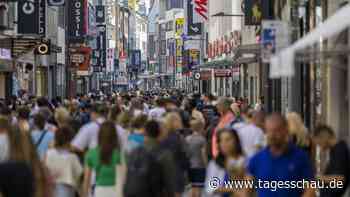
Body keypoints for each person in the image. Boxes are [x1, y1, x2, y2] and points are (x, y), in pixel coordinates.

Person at [247, 113, 315, 197]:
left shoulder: (300, 157)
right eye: (269, 131)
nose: (272, 135)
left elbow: (310, 189)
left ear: (286, 130)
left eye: (276, 131)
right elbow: (247, 190)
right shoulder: (256, 159)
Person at [124, 120, 176, 197]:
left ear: (144, 132)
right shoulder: (164, 154)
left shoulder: (134, 152)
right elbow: (170, 181)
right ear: (160, 133)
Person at [82, 121, 122, 197]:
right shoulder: (119, 154)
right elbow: (121, 179)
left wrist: (84, 194)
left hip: (99, 190)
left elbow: (86, 180)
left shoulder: (91, 153)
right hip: (116, 190)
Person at [204, 128, 247, 197]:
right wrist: (231, 189)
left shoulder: (245, 161)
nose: (224, 144)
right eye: (221, 141)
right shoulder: (216, 164)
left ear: (236, 141)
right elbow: (211, 187)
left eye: (228, 140)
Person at [313, 125, 350, 197]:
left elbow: (339, 179)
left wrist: (317, 178)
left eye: (319, 143)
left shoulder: (340, 151)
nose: (319, 147)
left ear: (323, 137)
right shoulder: (334, 150)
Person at [45, 126, 83, 197]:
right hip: (67, 190)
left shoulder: (48, 154)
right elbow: (79, 175)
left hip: (50, 189)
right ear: (70, 140)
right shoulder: (72, 157)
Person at [161, 112, 189, 197]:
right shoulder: (175, 138)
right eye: (178, 120)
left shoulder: (164, 136)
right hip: (175, 173)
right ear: (173, 122)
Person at [186, 118, 207, 197]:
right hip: (199, 166)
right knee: (198, 188)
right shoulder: (202, 139)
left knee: (193, 187)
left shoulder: (187, 139)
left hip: (190, 166)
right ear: (201, 127)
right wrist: (206, 165)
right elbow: (203, 154)